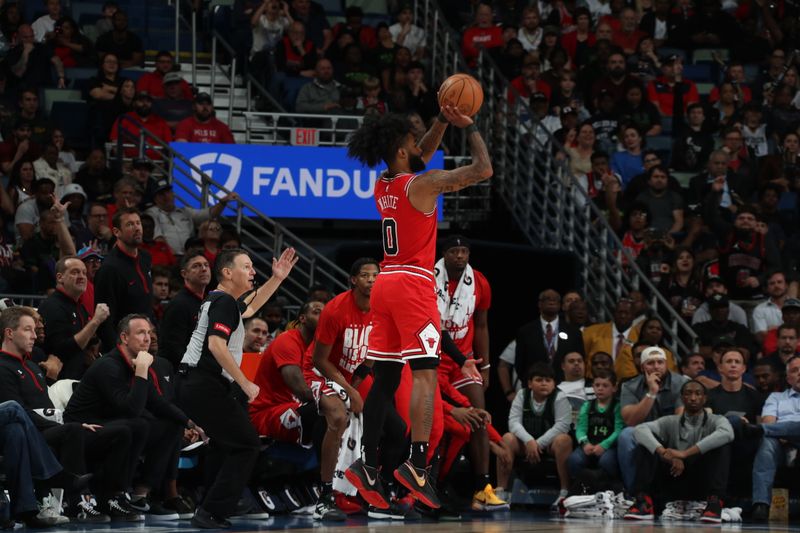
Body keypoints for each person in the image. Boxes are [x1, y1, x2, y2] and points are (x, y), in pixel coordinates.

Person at [343, 108, 492, 510]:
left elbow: (420, 154)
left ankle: (368, 464)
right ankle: (417, 463)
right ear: (401, 150)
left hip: (386, 284)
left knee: (386, 377)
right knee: (425, 375)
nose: (418, 143)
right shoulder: (423, 185)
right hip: (413, 285)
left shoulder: (385, 183)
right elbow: (483, 170)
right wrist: (469, 124)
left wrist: (441, 120)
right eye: (412, 140)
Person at [177, 247, 297, 528]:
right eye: (247, 266)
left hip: (198, 384)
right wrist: (245, 383)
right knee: (247, 444)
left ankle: (210, 507)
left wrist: (277, 278)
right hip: (202, 383)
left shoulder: (222, 301)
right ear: (228, 273)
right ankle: (213, 509)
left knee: (226, 444)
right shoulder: (223, 303)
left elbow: (252, 307)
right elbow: (216, 345)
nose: (253, 271)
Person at [65, 313, 204, 520]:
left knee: (170, 425)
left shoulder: (136, 363)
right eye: (140, 333)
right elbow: (131, 409)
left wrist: (191, 422)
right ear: (124, 338)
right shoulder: (108, 366)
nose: (147, 338)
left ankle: (140, 495)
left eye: (149, 333)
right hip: (83, 431)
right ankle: (112, 496)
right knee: (137, 425)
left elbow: (157, 402)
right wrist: (141, 371)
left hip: (112, 426)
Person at [249, 300, 348, 521]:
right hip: (267, 412)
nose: (323, 316)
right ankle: (324, 490)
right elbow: (296, 383)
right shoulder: (288, 340)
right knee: (323, 412)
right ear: (302, 319)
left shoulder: (323, 347)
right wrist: (331, 403)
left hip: (294, 408)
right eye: (316, 312)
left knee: (340, 415)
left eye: (326, 312)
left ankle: (318, 483)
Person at [433, 235, 505, 510]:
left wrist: (484, 364)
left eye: (464, 251)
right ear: (444, 254)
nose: (460, 256)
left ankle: (482, 487)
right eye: (454, 251)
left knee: (479, 413)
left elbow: (482, 325)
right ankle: (431, 481)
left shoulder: (480, 282)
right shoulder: (429, 278)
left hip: (465, 361)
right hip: (434, 359)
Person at [623, 380, 734, 522]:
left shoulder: (717, 420)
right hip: (674, 476)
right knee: (646, 445)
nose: (693, 398)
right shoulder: (670, 421)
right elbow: (639, 429)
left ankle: (715, 503)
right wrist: (665, 454)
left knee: (722, 444)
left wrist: (684, 454)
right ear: (682, 398)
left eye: (698, 394)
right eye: (688, 394)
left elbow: (728, 433)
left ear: (705, 398)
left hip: (703, 481)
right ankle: (643, 502)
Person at [496, 363, 573, 507]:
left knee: (564, 440)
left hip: (548, 445)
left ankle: (564, 493)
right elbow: (513, 423)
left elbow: (562, 425)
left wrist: (538, 444)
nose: (544, 383)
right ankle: (501, 493)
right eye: (539, 380)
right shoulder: (522, 394)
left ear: (554, 383)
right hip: (526, 445)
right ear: (530, 383)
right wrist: (529, 441)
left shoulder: (560, 396)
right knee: (507, 438)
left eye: (548, 380)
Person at [617, 346, 688, 494]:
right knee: (626, 435)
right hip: (643, 434)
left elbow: (680, 420)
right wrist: (651, 393)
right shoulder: (629, 386)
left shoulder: (681, 383)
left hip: (670, 435)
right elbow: (630, 421)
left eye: (660, 362)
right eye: (650, 363)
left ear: (666, 364)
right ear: (643, 367)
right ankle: (633, 495)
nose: (656, 366)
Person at [36, 256, 110, 379]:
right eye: (75, 272)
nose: (81, 276)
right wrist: (96, 321)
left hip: (77, 377)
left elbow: (82, 339)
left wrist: (92, 345)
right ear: (60, 278)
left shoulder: (78, 306)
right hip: (59, 383)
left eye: (84, 273)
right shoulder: (52, 307)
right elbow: (62, 350)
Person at [747, 356, 800, 521]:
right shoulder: (776, 397)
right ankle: (761, 505)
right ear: (788, 377)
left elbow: (768, 427)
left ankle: (756, 429)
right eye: (795, 370)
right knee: (767, 443)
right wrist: (781, 432)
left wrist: (778, 430)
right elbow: (769, 421)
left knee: (766, 431)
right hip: (781, 445)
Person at [93, 208, 153, 349]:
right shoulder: (109, 268)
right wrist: (118, 351)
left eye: (138, 223)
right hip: (123, 347)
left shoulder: (145, 258)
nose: (137, 228)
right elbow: (105, 320)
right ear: (116, 232)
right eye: (130, 224)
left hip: (145, 340)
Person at [145, 179, 237, 256]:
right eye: (161, 194)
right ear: (155, 199)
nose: (166, 196)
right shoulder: (152, 213)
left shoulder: (185, 211)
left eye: (168, 192)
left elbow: (209, 214)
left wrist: (222, 203)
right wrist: (171, 256)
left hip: (189, 256)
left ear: (173, 194)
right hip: (168, 257)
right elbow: (158, 239)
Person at [515, 289, 584, 384]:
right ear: (539, 304)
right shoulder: (526, 331)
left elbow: (580, 361)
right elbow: (520, 364)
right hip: (535, 389)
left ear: (560, 305)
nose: (551, 301)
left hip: (565, 387)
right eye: (547, 299)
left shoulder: (574, 332)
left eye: (555, 299)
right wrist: (531, 383)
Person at [157, 252, 210, 369]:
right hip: (182, 374)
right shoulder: (178, 305)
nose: (204, 269)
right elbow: (173, 348)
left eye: (206, 265)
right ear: (184, 274)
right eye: (196, 266)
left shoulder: (208, 302)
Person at [567, 370, 623, 481]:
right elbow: (580, 429)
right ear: (593, 387)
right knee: (574, 460)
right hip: (589, 445)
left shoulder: (618, 407)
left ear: (614, 388)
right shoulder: (587, 405)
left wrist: (604, 445)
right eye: (597, 385)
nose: (600, 388)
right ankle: (581, 487)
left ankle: (608, 488)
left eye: (605, 385)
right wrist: (585, 443)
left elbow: (619, 430)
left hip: (609, 447)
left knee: (606, 461)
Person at [752, 271, 790, 343]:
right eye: (772, 283)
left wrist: (773, 330)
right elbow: (761, 337)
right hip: (771, 349)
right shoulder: (759, 309)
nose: (776, 286)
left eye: (779, 282)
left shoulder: (797, 306)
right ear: (767, 289)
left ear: (786, 285)